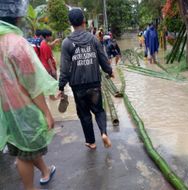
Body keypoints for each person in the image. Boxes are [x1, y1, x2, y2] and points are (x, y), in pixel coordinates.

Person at [0, 1, 58, 189]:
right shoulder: (16, 43)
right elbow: (33, 85)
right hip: (24, 110)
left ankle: (45, 170)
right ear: (17, 15)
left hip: (5, 110)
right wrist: (47, 112)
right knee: (23, 156)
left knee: (26, 148)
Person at [58, 9, 113, 149]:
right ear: (83, 21)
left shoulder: (66, 43)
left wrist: (61, 86)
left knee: (84, 114)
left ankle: (91, 142)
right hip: (94, 83)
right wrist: (110, 71)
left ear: (70, 23)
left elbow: (64, 68)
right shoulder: (93, 39)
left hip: (78, 86)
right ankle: (104, 133)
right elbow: (102, 58)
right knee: (99, 110)